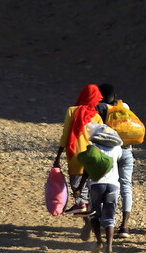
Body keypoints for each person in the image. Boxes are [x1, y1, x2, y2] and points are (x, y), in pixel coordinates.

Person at [53, 84, 104, 216]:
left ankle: (80, 203)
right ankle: (89, 214)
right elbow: (99, 137)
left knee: (76, 182)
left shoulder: (72, 111)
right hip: (92, 154)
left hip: (75, 152)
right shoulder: (97, 116)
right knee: (88, 186)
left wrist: (58, 157)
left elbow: (66, 134)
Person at [96, 83, 134, 238]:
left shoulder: (100, 108)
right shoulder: (124, 105)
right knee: (126, 186)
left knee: (106, 184)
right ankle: (124, 226)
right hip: (126, 150)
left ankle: (105, 221)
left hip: (109, 152)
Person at [84, 124, 123, 253]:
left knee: (94, 214)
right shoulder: (117, 148)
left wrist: (79, 187)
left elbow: (87, 169)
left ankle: (99, 242)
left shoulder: (93, 147)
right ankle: (110, 247)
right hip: (113, 185)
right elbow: (118, 160)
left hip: (96, 184)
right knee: (109, 217)